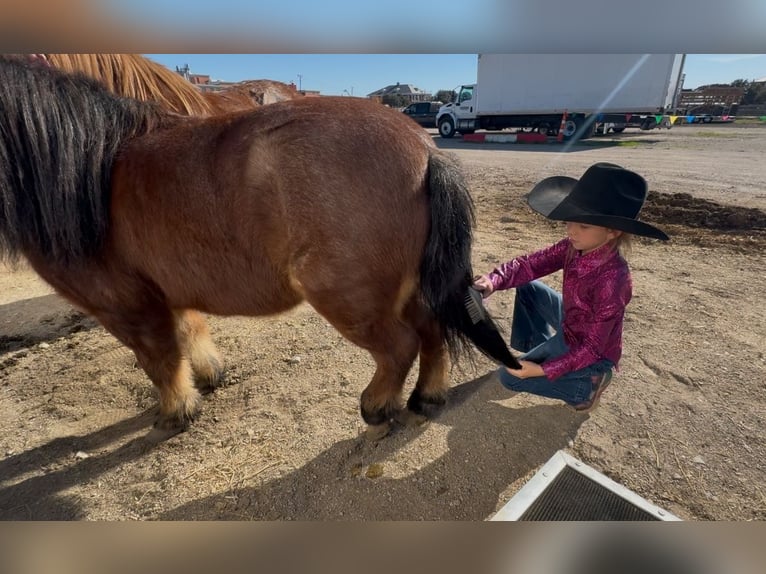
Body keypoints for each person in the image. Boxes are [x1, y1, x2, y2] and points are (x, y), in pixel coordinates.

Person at [474, 162, 669, 412]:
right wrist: (494, 280)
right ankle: (539, 349)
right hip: (571, 321)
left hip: (588, 349)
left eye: (583, 226)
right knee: (528, 286)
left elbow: (592, 347)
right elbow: (532, 264)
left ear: (613, 232)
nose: (571, 231)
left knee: (508, 377)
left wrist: (545, 369)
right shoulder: (573, 246)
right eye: (570, 221)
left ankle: (585, 388)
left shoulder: (614, 279)